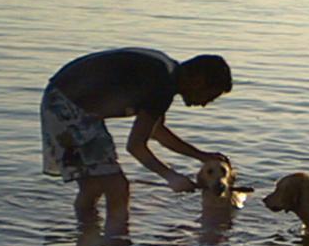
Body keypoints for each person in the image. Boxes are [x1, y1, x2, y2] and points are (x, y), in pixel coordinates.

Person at [40, 47, 232, 234]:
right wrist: (170, 176)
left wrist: (200, 156)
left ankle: (88, 237)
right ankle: (114, 240)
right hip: (68, 106)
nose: (206, 103)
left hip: (61, 97)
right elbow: (135, 146)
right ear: (199, 81)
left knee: (93, 185)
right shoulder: (162, 86)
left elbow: (156, 132)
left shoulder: (166, 72)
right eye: (210, 95)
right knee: (117, 187)